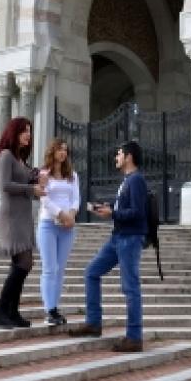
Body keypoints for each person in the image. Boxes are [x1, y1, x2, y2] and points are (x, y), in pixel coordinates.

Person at [68, 140, 147, 352]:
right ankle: (93, 323)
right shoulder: (127, 180)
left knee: (130, 287)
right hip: (117, 236)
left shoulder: (137, 180)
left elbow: (139, 213)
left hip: (130, 238)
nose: (116, 157)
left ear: (129, 157)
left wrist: (113, 213)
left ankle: (134, 337)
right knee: (91, 272)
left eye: (119, 154)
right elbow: (124, 207)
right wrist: (108, 208)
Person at [0, 116, 45, 329]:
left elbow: (23, 182)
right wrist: (30, 189)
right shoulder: (5, 156)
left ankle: (11, 312)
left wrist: (36, 178)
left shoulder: (21, 159)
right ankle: (0, 312)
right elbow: (5, 185)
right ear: (14, 132)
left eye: (30, 131)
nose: (28, 135)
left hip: (23, 215)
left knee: (23, 264)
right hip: (11, 217)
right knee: (23, 263)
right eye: (24, 131)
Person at [37, 138, 80, 325]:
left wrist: (70, 215)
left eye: (65, 150)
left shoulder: (73, 176)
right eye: (60, 149)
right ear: (52, 151)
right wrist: (61, 214)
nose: (63, 153)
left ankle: (55, 308)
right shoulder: (44, 174)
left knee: (60, 270)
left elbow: (76, 199)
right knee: (50, 268)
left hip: (67, 227)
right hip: (48, 224)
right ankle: (49, 310)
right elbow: (44, 199)